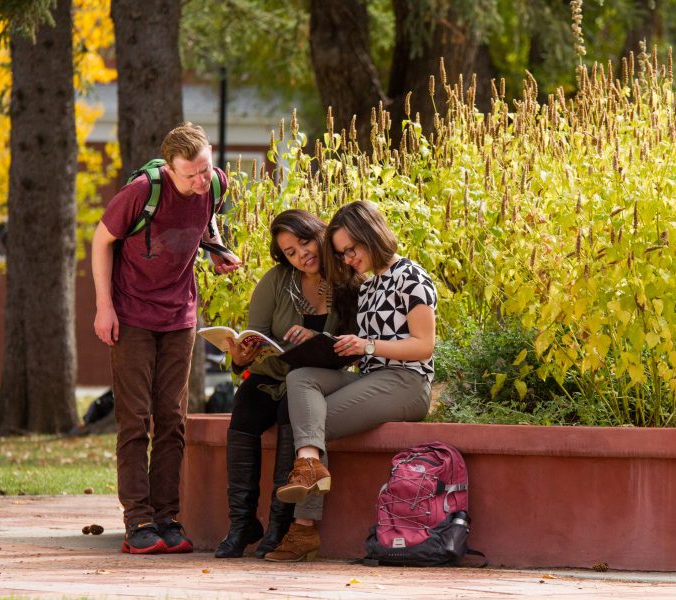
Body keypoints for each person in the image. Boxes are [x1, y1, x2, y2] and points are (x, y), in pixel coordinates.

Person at [92, 122, 241, 554]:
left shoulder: (213, 183)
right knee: (135, 418)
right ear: (170, 169)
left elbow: (206, 220)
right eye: (190, 174)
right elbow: (101, 241)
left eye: (205, 169)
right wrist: (104, 307)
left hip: (179, 315)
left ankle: (167, 518)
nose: (200, 180)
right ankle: (137, 520)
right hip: (133, 313)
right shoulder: (142, 192)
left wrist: (216, 250)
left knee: (173, 420)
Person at [265, 200, 438, 563]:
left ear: (371, 235)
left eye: (350, 250)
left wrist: (369, 344)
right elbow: (365, 348)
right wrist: (325, 345)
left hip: (407, 383)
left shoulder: (413, 277)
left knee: (315, 424)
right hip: (373, 376)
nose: (346, 259)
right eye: (342, 253)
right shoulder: (370, 285)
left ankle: (303, 531)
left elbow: (424, 346)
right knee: (302, 377)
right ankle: (309, 464)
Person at [214, 209, 357, 559]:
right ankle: (242, 523)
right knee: (245, 409)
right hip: (273, 373)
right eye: (290, 252)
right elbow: (254, 335)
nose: (301, 255)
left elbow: (354, 344)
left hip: (317, 381)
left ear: (320, 234)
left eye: (305, 242)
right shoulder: (277, 280)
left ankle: (279, 525)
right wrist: (241, 357)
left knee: (290, 415)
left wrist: (318, 337)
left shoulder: (348, 280)